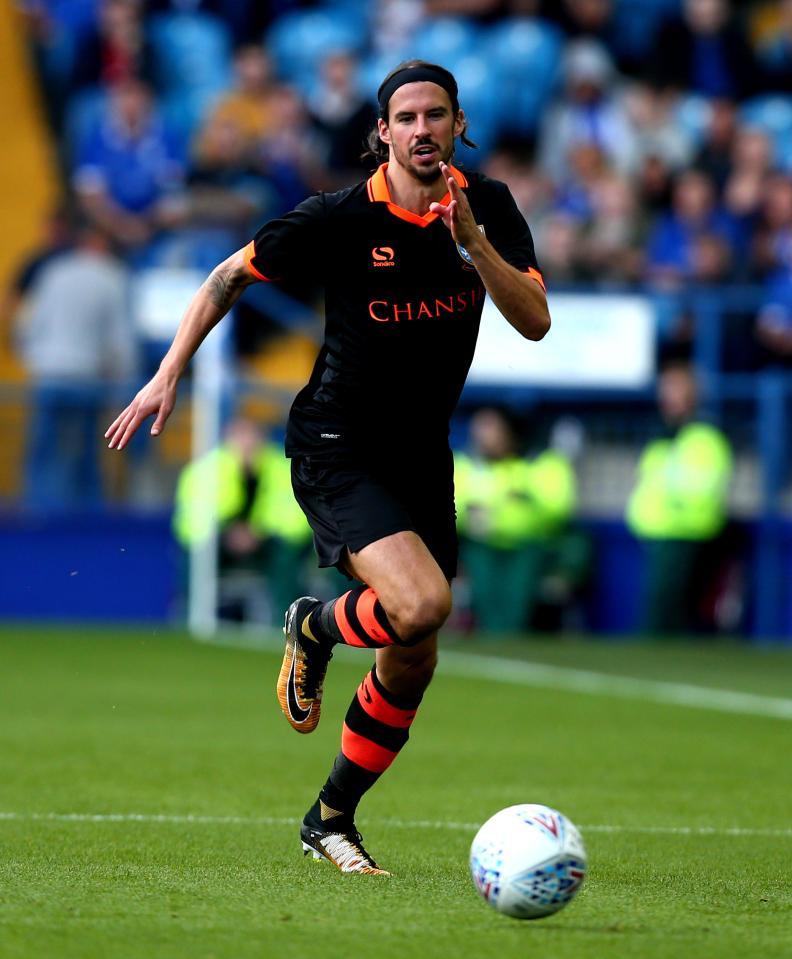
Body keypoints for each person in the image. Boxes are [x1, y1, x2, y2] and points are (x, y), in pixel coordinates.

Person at [106, 59, 550, 874]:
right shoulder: (341, 216)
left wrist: (475, 245)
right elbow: (227, 275)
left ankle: (331, 817)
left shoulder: (486, 207)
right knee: (420, 604)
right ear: (381, 133)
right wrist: (168, 370)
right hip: (337, 439)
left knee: (416, 649)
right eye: (406, 117)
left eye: (437, 115)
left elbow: (534, 320)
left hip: (421, 449)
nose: (423, 129)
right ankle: (314, 623)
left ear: (457, 127)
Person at [19, 220, 136, 509]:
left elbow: (28, 325)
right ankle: (87, 519)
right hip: (87, 377)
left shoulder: (54, 271)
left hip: (49, 374)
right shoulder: (113, 276)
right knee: (86, 452)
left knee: (44, 450)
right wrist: (126, 385)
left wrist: (36, 359)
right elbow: (120, 338)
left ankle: (39, 513)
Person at [626, 362, 733, 635]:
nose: (667, 395)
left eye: (675, 387)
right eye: (665, 387)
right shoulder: (661, 439)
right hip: (657, 536)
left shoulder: (704, 438)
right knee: (660, 608)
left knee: (668, 613)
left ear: (692, 393)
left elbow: (700, 489)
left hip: (685, 535)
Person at [172, 416, 313, 622]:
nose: (247, 445)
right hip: (221, 543)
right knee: (196, 555)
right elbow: (192, 520)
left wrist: (259, 532)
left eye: (251, 437)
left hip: (267, 543)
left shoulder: (283, 469)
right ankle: (189, 618)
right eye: (241, 438)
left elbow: (297, 517)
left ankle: (284, 622)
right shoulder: (207, 469)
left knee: (288, 556)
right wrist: (228, 532)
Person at [454, 408, 578, 633]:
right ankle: (492, 640)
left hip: (529, 546)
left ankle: (512, 639)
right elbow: (448, 504)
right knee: (484, 596)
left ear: (509, 431)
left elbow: (559, 508)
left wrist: (525, 500)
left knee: (518, 598)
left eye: (491, 428)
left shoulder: (540, 462)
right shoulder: (465, 463)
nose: (484, 436)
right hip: (480, 546)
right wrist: (468, 512)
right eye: (480, 428)